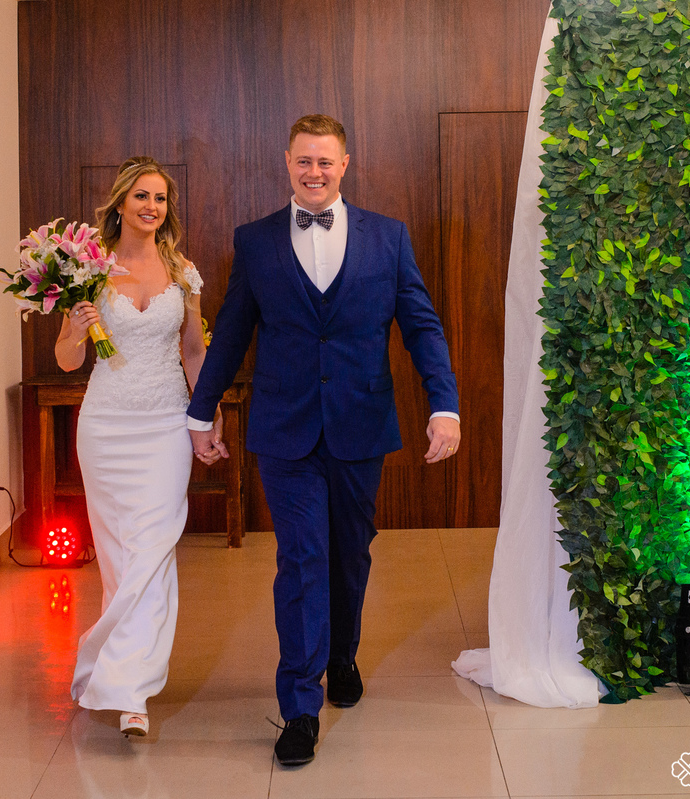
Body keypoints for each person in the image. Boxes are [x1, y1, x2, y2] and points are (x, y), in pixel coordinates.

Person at [186, 114, 460, 765]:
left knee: (349, 556)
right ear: (287, 162)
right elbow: (229, 334)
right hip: (285, 432)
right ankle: (300, 706)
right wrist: (201, 413)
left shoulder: (387, 238)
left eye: (325, 161)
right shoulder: (254, 242)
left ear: (345, 164)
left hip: (362, 425)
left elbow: (421, 326)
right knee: (302, 558)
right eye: (304, 160)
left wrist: (442, 404)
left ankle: (342, 654)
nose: (314, 171)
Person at [57, 156, 224, 738]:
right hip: (105, 428)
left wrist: (208, 418)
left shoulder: (184, 272)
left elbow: (195, 351)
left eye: (160, 199)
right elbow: (67, 359)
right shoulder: (90, 271)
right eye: (142, 197)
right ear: (121, 203)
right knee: (119, 555)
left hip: (164, 426)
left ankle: (132, 693)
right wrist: (75, 329)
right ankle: (119, 671)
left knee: (153, 548)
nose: (152, 207)